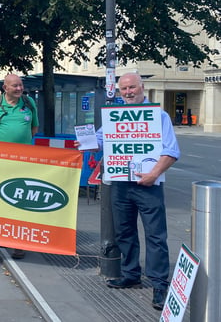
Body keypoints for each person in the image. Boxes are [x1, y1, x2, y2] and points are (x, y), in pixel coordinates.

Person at [79, 72, 180, 311]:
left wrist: (154, 173)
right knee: (125, 231)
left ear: (142, 87)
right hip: (121, 184)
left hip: (149, 185)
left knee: (155, 235)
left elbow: (172, 151)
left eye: (132, 88)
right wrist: (84, 143)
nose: (128, 92)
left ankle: (159, 283)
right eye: (124, 89)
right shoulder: (115, 116)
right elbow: (101, 141)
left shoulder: (158, 116)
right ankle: (131, 274)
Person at [0, 74, 39, 259]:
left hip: (24, 162)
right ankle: (1, 234)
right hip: (1, 161)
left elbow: (34, 128)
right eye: (15, 86)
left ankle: (19, 243)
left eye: (20, 85)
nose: (19, 88)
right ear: (5, 88)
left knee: (20, 200)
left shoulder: (29, 102)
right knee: (0, 197)